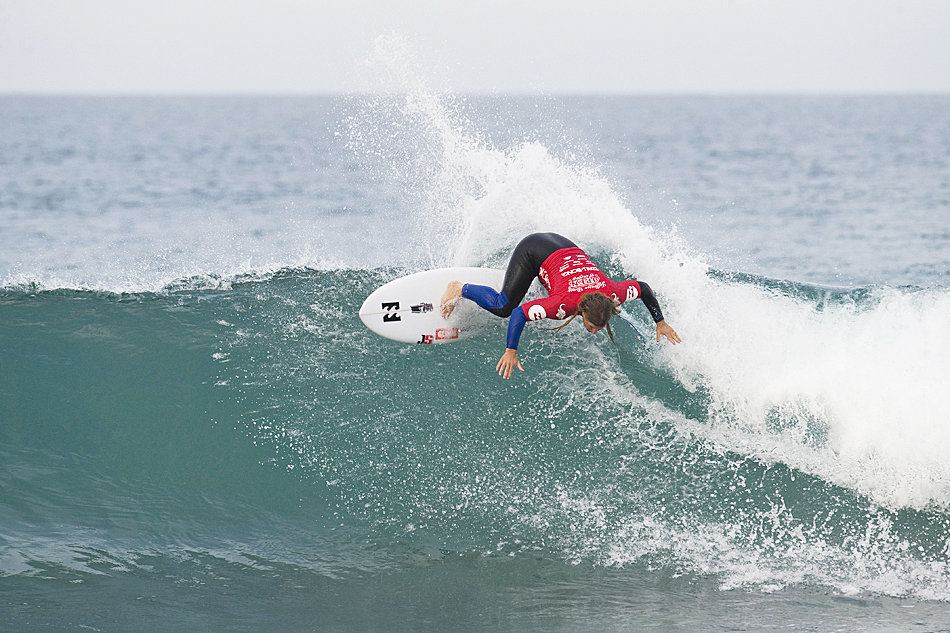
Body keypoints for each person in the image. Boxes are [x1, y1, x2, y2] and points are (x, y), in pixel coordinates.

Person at [440, 232, 681, 379]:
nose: (594, 330)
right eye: (591, 325)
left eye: (598, 327)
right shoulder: (562, 306)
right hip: (534, 250)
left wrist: (660, 321)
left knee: (550, 283)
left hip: (565, 246)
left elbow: (643, 288)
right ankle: (460, 288)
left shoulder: (614, 294)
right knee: (503, 306)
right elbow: (518, 314)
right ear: (582, 311)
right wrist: (511, 350)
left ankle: (547, 278)